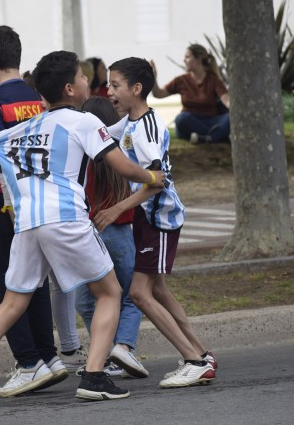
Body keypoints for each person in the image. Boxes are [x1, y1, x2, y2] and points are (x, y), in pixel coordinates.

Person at [0, 51, 164, 409]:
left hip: (26, 224)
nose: (85, 81)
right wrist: (151, 177)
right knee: (109, 292)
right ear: (71, 88)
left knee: (12, 302)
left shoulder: (23, 128)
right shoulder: (81, 123)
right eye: (81, 76)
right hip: (66, 219)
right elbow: (121, 167)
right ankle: (94, 375)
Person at [107, 57, 218, 388]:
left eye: (115, 86)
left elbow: (156, 180)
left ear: (136, 89)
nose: (109, 91)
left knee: (140, 294)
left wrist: (116, 210)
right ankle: (201, 353)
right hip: (147, 217)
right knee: (157, 290)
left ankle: (195, 361)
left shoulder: (145, 129)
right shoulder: (129, 121)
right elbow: (95, 132)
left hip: (160, 218)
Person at [0, 25, 64, 399]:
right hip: (41, 201)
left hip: (6, 205)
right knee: (36, 282)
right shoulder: (38, 98)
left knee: (5, 285)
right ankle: (49, 356)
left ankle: (29, 363)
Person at [75, 96, 149, 379]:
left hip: (91, 233)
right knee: (129, 293)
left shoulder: (84, 155)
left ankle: (110, 352)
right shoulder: (120, 153)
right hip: (117, 231)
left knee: (87, 299)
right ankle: (121, 348)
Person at [150, 44, 230, 144]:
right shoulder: (181, 80)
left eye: (187, 57)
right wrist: (153, 78)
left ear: (199, 59)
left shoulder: (213, 80)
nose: (184, 60)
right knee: (181, 119)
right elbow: (159, 94)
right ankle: (215, 136)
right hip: (190, 121)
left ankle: (207, 138)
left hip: (211, 120)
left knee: (229, 118)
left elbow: (226, 100)